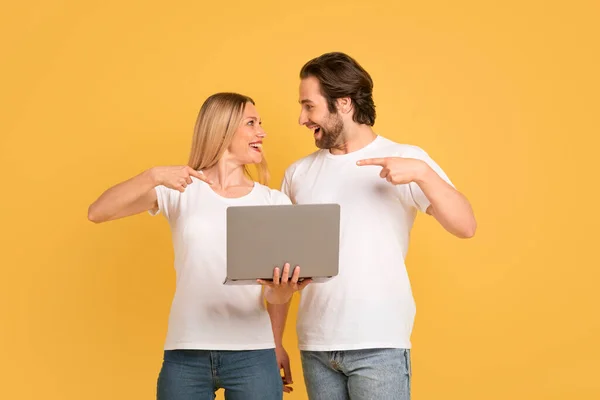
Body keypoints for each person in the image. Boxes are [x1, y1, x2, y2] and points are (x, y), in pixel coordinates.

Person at [274, 52, 477, 400]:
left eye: (309, 106)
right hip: (315, 345)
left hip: (378, 344)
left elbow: (465, 225)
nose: (302, 118)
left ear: (344, 103)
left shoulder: (406, 159)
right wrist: (274, 342)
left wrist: (423, 175)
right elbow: (278, 268)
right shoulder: (298, 173)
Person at [87, 92, 310, 400]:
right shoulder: (180, 190)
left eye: (260, 123)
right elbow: (98, 212)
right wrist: (152, 176)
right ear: (223, 129)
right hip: (186, 353)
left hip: (252, 354)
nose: (262, 132)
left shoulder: (272, 201)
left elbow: (275, 292)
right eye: (251, 123)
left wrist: (282, 303)